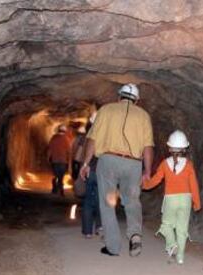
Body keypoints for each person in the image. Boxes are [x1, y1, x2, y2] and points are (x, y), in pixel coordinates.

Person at [80, 83, 154, 257]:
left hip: (108, 161)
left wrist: (85, 164)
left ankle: (113, 247)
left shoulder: (105, 110)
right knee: (132, 201)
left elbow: (92, 140)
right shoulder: (143, 115)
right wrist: (147, 171)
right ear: (136, 100)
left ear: (119, 97)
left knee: (107, 204)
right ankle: (135, 234)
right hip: (134, 163)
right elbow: (148, 146)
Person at [143, 130, 201, 264]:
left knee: (167, 225)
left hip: (171, 200)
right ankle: (180, 257)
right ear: (185, 149)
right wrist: (197, 202)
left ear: (169, 148)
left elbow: (155, 180)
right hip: (186, 200)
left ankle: (171, 244)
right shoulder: (189, 165)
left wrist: (144, 185)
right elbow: (194, 185)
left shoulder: (164, 164)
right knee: (182, 229)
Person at [81, 115, 102, 238]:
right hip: (101, 171)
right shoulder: (105, 132)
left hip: (91, 171)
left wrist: (84, 165)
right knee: (102, 200)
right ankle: (100, 227)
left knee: (89, 200)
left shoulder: (89, 135)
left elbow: (85, 152)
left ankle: (88, 231)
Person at [47, 124, 71, 196]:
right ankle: (61, 190)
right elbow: (69, 152)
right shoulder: (67, 139)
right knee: (61, 176)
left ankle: (55, 187)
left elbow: (49, 150)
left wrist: (48, 158)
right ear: (65, 131)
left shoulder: (53, 138)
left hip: (55, 160)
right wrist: (69, 163)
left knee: (56, 175)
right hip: (63, 161)